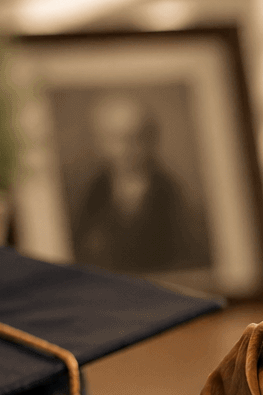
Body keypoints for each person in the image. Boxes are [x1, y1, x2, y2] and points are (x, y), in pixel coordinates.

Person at [70, 92, 211, 274]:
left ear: (151, 140)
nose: (126, 149)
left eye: (135, 138)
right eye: (115, 139)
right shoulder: (92, 194)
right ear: (100, 143)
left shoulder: (173, 196)